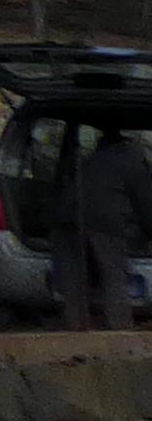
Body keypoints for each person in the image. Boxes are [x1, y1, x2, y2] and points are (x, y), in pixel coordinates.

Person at [59, 125, 152, 331]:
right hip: (104, 222)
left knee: (74, 279)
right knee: (114, 276)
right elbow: (146, 204)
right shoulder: (133, 161)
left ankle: (75, 331)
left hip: (66, 219)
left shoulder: (90, 160)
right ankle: (118, 332)